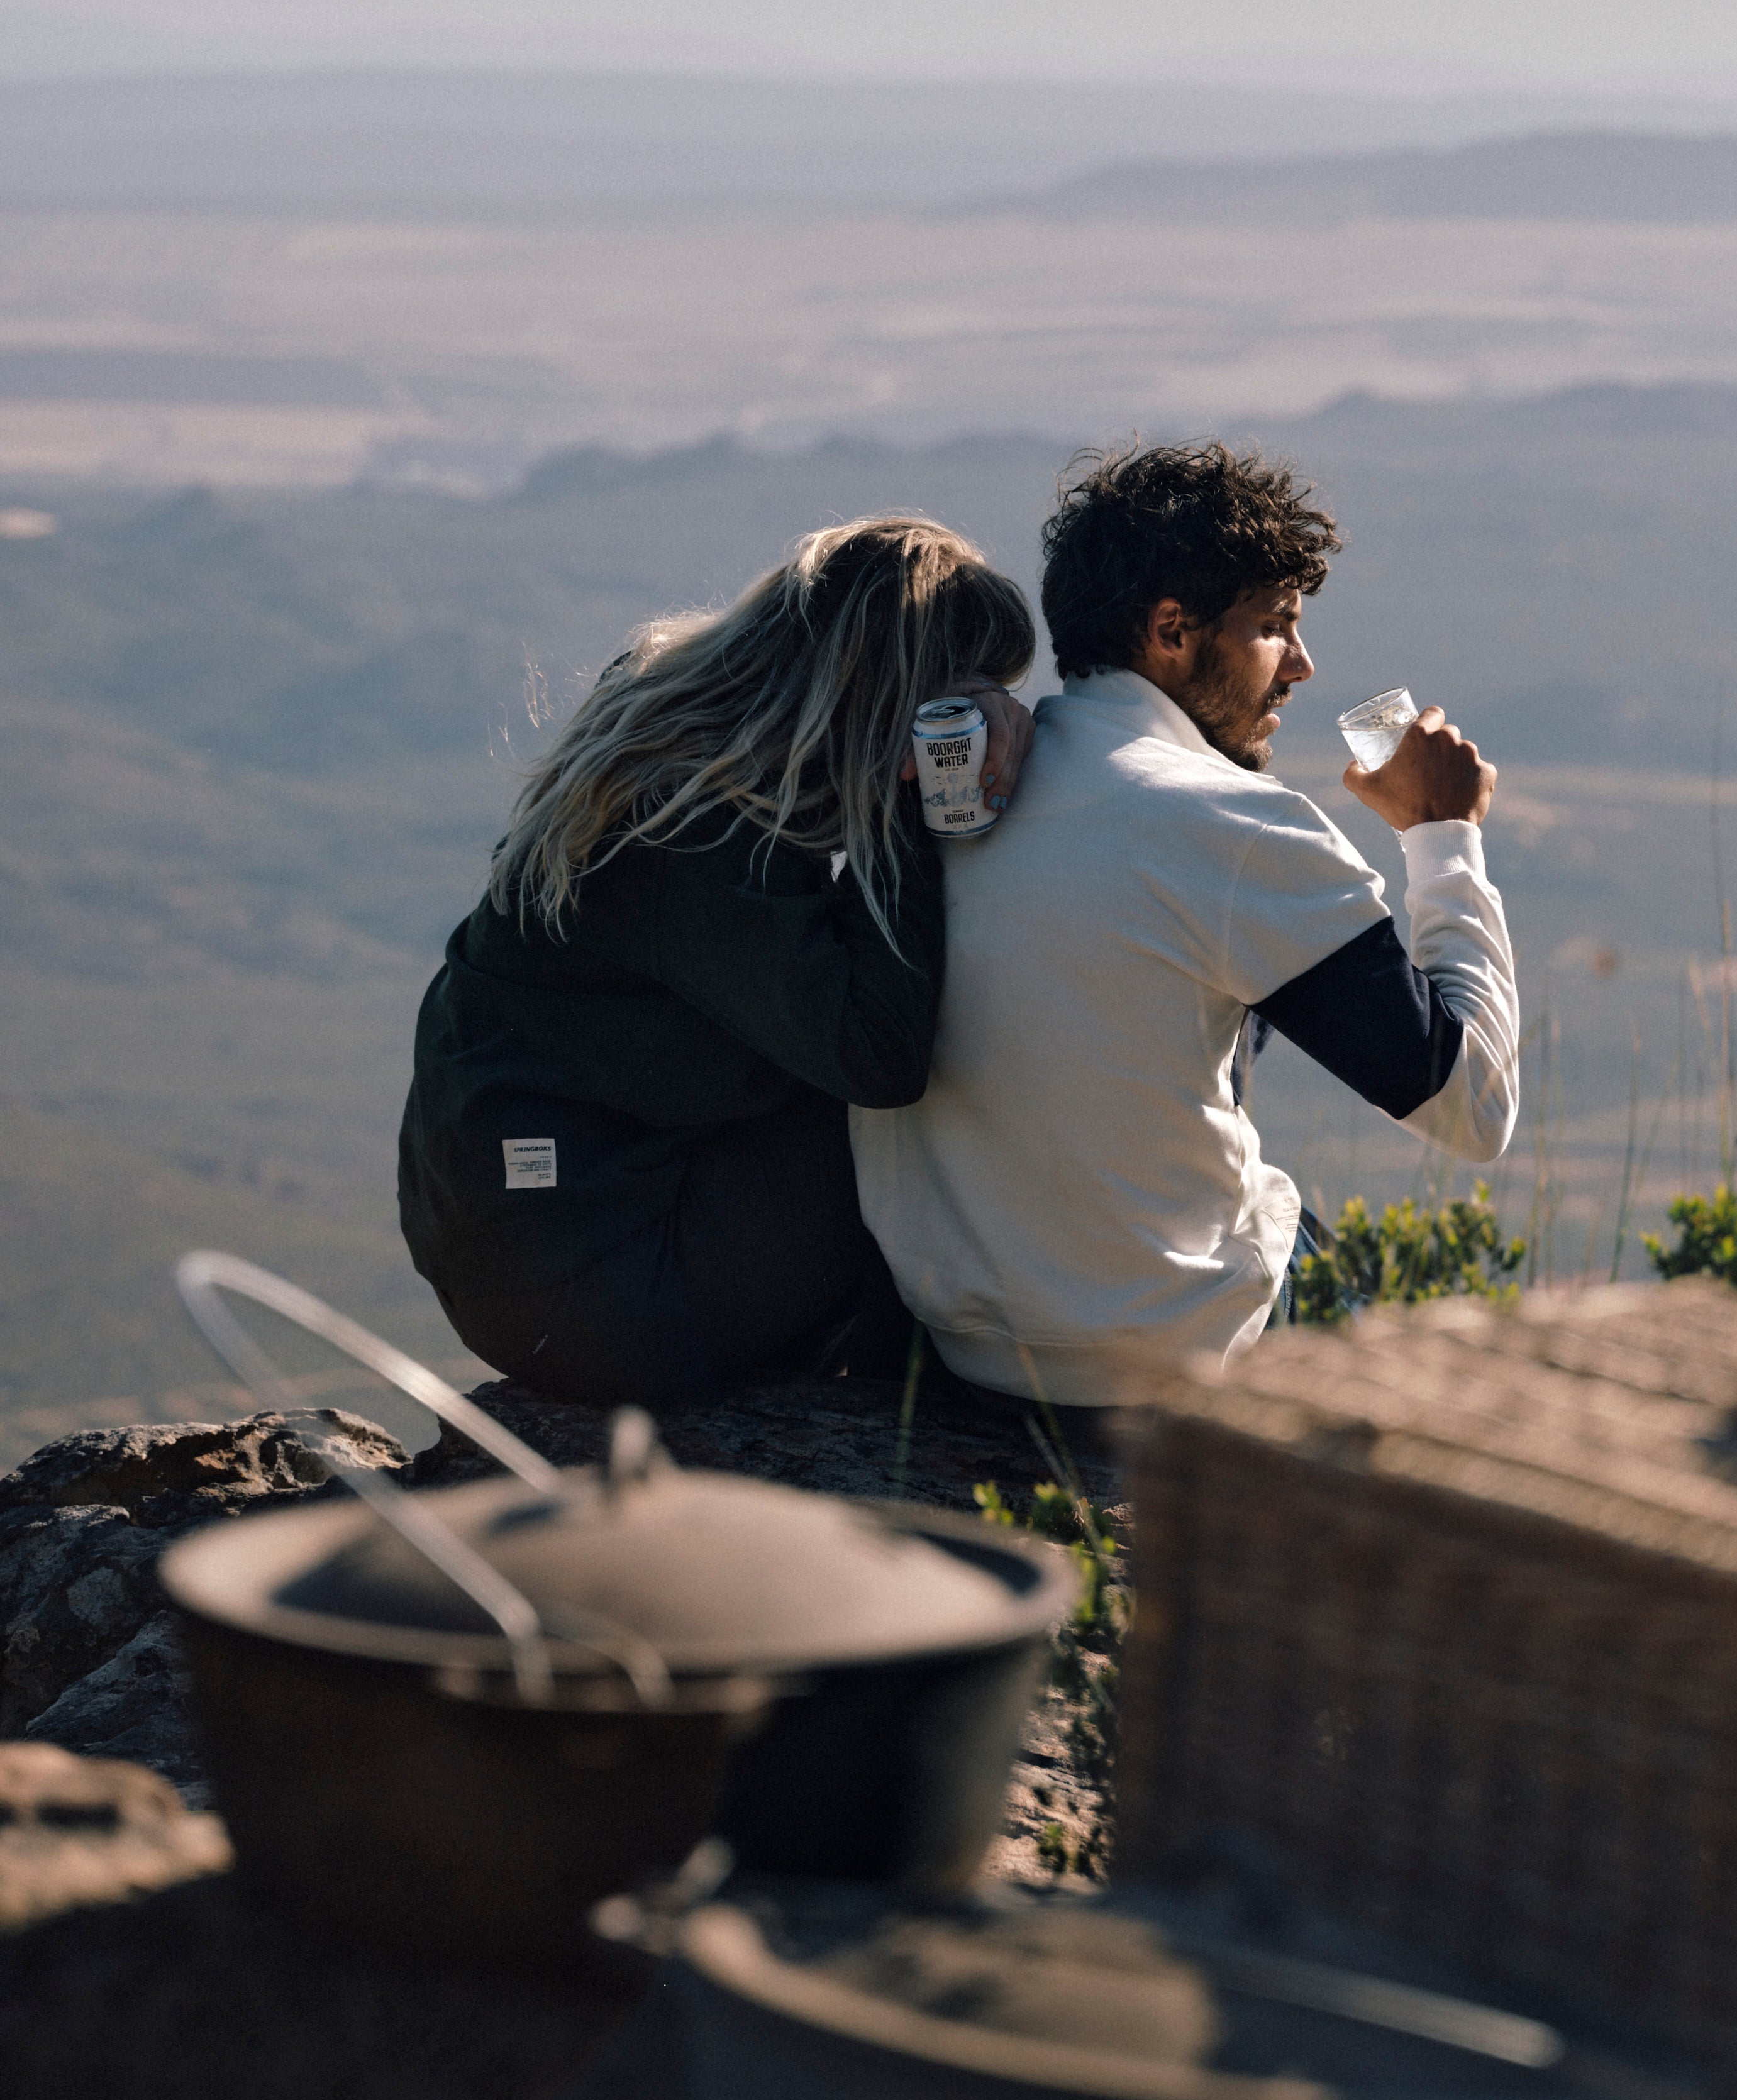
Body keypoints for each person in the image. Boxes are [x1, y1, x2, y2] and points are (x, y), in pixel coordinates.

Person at [852, 443, 1518, 1406]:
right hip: (1171, 1347)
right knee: (1427, 1359)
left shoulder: (948, 782)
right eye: (1275, 627)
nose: (1301, 664)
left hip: (964, 1346)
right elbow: (1476, 1106)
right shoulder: (1231, 825)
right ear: (1171, 629)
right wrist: (1445, 836)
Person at [398, 516, 1036, 1406]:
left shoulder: (680, 748)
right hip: (589, 1283)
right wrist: (918, 810)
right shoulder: (696, 830)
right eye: (955, 710)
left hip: (526, 1241)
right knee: (928, 1118)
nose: (972, 730)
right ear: (893, 703)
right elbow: (876, 1058)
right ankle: (945, 1420)